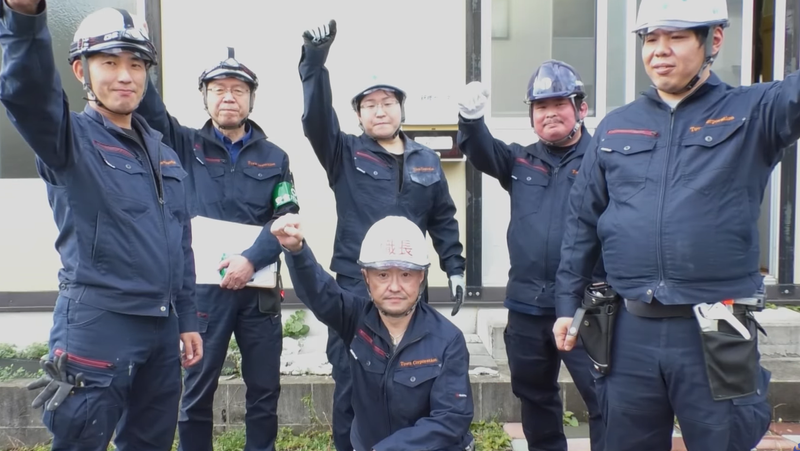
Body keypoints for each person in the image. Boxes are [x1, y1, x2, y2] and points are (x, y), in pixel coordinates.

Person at [553, 0, 800, 449]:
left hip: (717, 329)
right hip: (630, 331)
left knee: (724, 440)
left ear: (714, 40)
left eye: (677, 37)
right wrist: (567, 303)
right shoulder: (617, 126)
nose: (660, 50)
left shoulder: (753, 111)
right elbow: (582, 222)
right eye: (651, 38)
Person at [0, 3, 202, 451]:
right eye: (109, 63)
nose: (125, 76)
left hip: (162, 327)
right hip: (98, 324)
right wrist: (23, 18)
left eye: (136, 64)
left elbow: (180, 241)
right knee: (81, 440)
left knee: (151, 443)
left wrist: (187, 318)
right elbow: (28, 93)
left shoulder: (163, 153)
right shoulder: (69, 139)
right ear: (80, 71)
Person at [298, 19, 467, 451]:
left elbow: (443, 217)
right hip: (357, 289)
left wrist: (455, 266)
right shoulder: (344, 153)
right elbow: (316, 119)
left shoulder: (426, 159)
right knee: (352, 384)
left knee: (413, 382)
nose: (379, 110)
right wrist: (314, 62)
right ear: (358, 114)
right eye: (369, 104)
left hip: (407, 284)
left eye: (387, 101)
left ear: (401, 109)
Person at [136, 46, 299, 451]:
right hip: (203, 293)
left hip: (259, 291)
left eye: (238, 90)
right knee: (197, 389)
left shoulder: (275, 157)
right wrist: (141, 57)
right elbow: (151, 110)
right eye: (218, 89)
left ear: (251, 99)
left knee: (265, 390)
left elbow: (286, 218)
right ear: (205, 97)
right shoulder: (183, 144)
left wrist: (250, 260)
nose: (228, 97)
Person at [456, 60, 605, 451]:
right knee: (535, 395)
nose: (549, 113)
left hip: (586, 305)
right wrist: (470, 119)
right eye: (540, 106)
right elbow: (481, 150)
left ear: (581, 108)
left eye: (558, 104)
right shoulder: (521, 160)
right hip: (527, 305)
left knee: (603, 396)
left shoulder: (602, 159)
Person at [271, 213, 474, 451]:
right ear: (366, 277)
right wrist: (296, 250)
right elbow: (320, 292)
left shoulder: (447, 340)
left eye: (406, 274)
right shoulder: (356, 320)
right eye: (383, 275)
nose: (395, 287)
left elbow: (450, 419)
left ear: (421, 277)